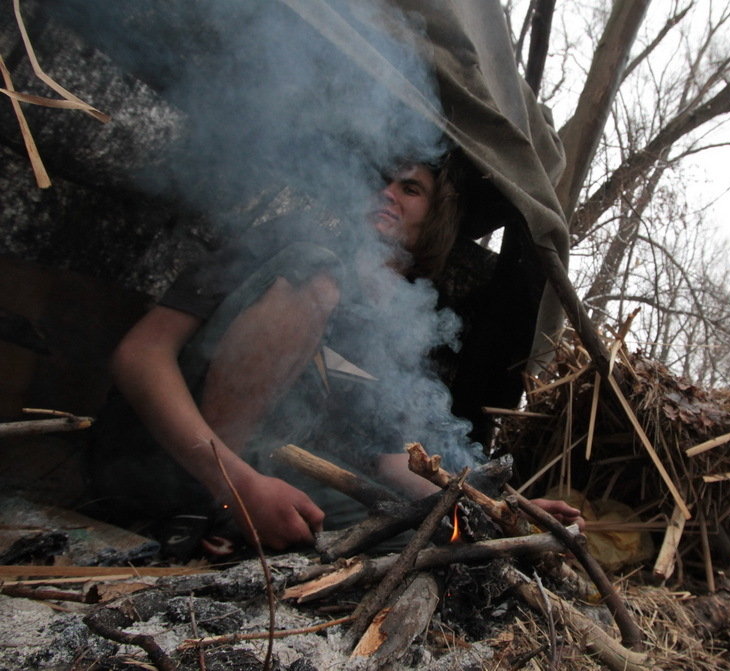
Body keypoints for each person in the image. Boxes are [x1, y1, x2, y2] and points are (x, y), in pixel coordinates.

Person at [92, 156, 581, 552]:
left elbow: (398, 463)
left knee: (415, 539)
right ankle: (210, 510)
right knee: (316, 268)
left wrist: (501, 509)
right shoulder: (294, 249)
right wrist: (234, 485)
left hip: (267, 486)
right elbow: (140, 353)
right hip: (172, 473)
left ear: (438, 218)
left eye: (410, 189)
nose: (388, 193)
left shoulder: (400, 331)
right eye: (380, 181)